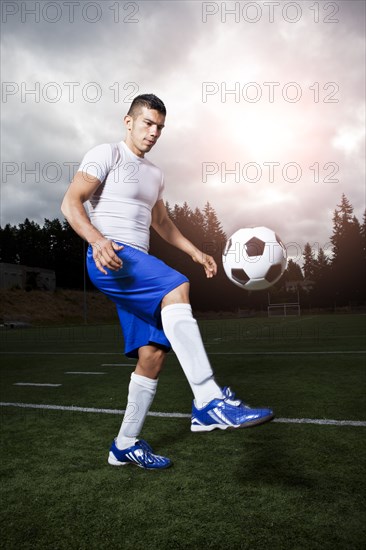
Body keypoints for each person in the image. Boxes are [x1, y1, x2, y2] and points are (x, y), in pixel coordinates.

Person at [61, 93, 274, 470]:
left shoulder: (155, 174)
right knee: (176, 285)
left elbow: (161, 223)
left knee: (152, 356)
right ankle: (208, 400)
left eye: (160, 126)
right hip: (111, 256)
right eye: (147, 123)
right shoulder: (106, 154)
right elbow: (70, 203)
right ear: (128, 122)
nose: (154, 132)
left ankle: (124, 444)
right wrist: (96, 240)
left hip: (136, 264)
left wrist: (195, 252)